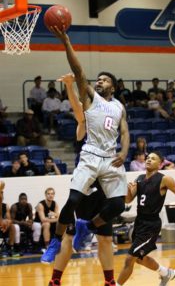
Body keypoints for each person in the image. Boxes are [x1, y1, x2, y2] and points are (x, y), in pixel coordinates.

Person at [41, 27, 129, 277]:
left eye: (104, 79)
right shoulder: (91, 98)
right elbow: (79, 72)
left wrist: (124, 151)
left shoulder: (119, 106)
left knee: (118, 205)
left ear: (112, 85)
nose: (99, 81)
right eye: (98, 79)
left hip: (110, 159)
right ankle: (55, 242)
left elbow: (125, 132)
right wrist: (66, 42)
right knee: (72, 201)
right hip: (91, 155)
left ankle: (88, 227)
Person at [47, 74, 117, 286]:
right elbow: (78, 107)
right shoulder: (84, 123)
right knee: (70, 234)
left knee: (105, 238)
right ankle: (55, 280)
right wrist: (70, 85)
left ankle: (109, 281)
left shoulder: (111, 120)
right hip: (86, 184)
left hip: (105, 183)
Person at [116, 151, 175, 286]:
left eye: (153, 158)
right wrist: (127, 189)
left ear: (160, 164)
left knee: (129, 259)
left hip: (151, 225)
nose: (148, 160)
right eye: (148, 158)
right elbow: (128, 200)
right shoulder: (139, 178)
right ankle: (166, 273)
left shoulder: (164, 179)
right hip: (139, 223)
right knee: (139, 258)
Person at [0, 181, 17, 257]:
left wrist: (6, 222)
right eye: (0, 193)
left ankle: (11, 248)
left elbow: (10, 219)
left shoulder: (5, 205)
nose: (1, 195)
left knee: (12, 226)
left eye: (2, 193)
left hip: (3, 225)